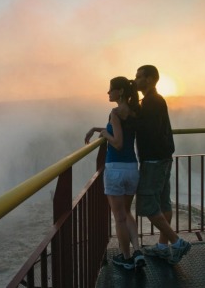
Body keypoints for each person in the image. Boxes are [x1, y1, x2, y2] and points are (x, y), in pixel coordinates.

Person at [85, 76, 145, 270]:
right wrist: (98, 128)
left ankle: (126, 257)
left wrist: (104, 135)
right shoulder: (135, 112)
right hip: (131, 169)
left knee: (119, 217)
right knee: (128, 212)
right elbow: (122, 132)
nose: (108, 93)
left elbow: (117, 142)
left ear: (119, 91)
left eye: (111, 89)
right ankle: (137, 251)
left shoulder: (115, 112)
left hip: (115, 169)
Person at [134, 65, 191, 264]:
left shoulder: (150, 102)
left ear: (149, 79)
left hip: (153, 161)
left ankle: (177, 243)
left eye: (139, 76)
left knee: (149, 205)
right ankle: (162, 246)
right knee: (164, 202)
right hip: (164, 158)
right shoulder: (155, 100)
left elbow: (145, 130)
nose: (136, 80)